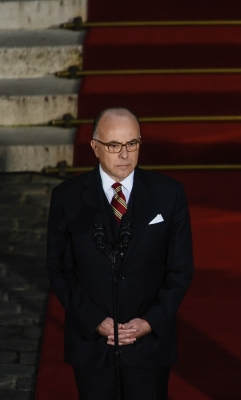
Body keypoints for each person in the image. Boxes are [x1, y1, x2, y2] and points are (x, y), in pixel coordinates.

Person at [46, 107, 194, 399]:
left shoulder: (169, 193)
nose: (124, 154)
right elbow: (59, 268)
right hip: (92, 345)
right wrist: (94, 320)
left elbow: (180, 268)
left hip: (149, 345)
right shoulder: (67, 197)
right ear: (95, 147)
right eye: (114, 145)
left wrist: (150, 321)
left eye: (132, 143)